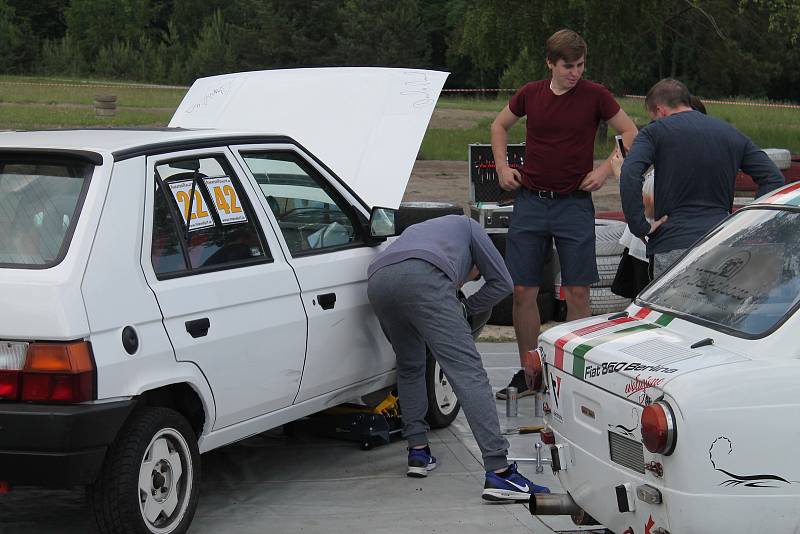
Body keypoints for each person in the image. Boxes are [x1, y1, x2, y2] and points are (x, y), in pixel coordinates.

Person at [490, 29, 637, 399]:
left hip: (573, 203)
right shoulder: (530, 93)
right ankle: (529, 372)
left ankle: (572, 376)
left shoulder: (595, 96)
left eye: (580, 65)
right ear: (550, 64)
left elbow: (631, 132)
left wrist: (604, 171)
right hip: (531, 201)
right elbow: (499, 125)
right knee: (523, 289)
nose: (575, 73)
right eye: (568, 66)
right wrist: (503, 168)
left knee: (577, 292)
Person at [367, 214, 550, 501]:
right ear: (476, 262)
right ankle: (500, 472)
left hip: (378, 280)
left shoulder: (423, 229)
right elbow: (502, 283)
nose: (468, 278)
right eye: (473, 275)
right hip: (425, 277)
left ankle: (417, 451)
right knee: (468, 373)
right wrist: (465, 309)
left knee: (410, 367)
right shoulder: (471, 227)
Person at [620, 78, 784, 277]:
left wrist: (640, 226)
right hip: (723, 243)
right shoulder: (730, 133)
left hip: (673, 244)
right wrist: (751, 224)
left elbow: (629, 173)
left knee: (672, 308)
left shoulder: (654, 132)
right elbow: (773, 177)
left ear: (660, 109)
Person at [609, 94, 708, 297]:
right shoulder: (689, 153)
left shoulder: (682, 160)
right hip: (644, 247)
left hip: (654, 247)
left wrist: (623, 174)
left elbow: (652, 207)